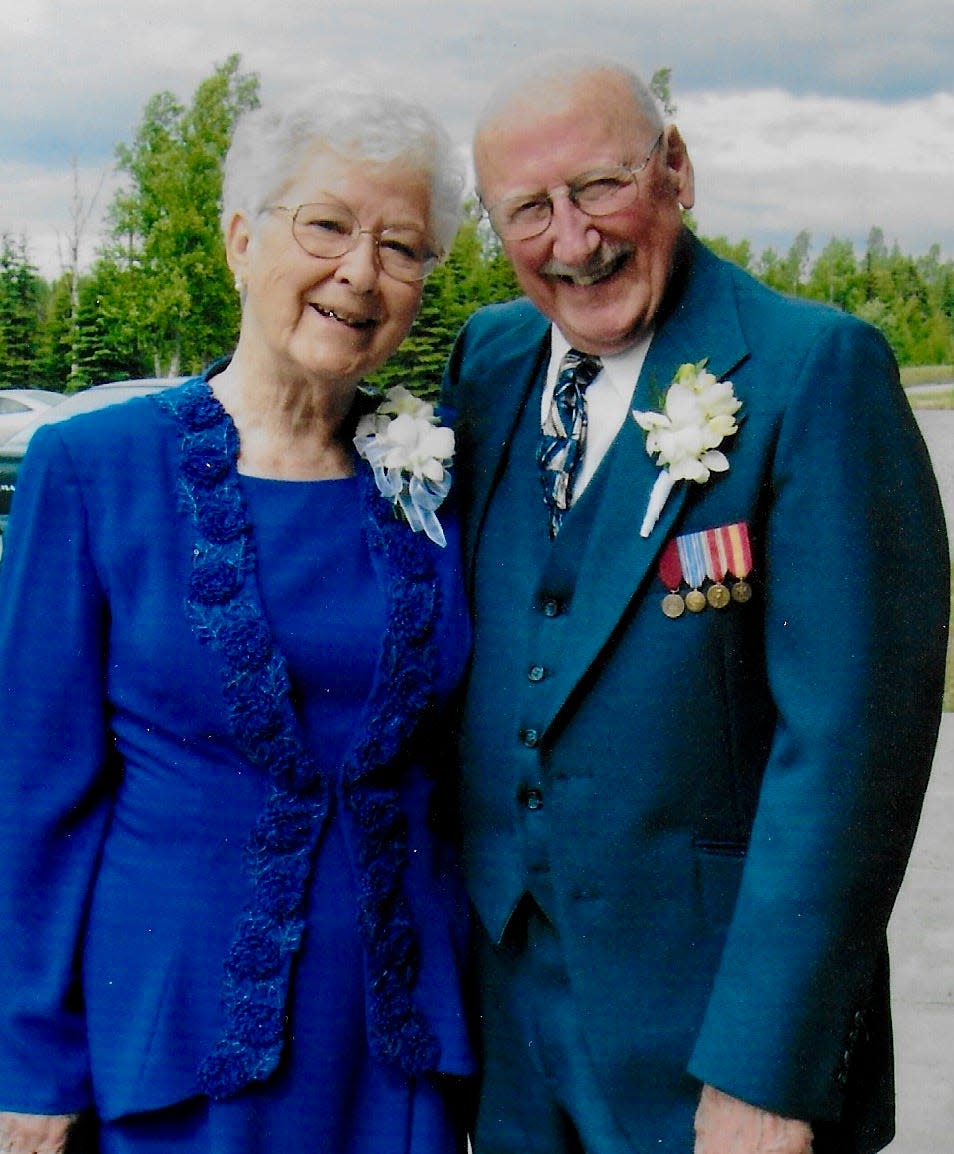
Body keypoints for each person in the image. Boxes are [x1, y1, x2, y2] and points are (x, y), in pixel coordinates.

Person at [442, 54, 949, 1154]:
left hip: (710, 1043)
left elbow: (851, 755)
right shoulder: (487, 360)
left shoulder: (816, 369)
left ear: (676, 168)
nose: (572, 241)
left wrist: (768, 1068)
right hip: (513, 1036)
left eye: (600, 188)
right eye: (529, 209)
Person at [0, 85, 474, 1154]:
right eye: (326, 226)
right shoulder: (93, 471)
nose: (360, 271)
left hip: (393, 1046)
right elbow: (32, 796)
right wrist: (27, 1062)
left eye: (402, 246)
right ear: (239, 237)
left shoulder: (439, 478)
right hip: (173, 1041)